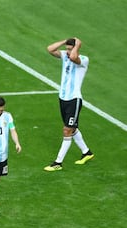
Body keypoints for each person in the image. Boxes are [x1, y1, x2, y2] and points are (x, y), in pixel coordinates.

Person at [44, 37, 94, 172]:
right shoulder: (65, 56)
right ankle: (87, 152)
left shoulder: (83, 60)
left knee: (67, 130)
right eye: (66, 49)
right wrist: (64, 41)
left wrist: (77, 45)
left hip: (74, 99)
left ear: (76, 48)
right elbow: (50, 49)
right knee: (72, 128)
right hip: (63, 98)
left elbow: (73, 58)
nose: (67, 52)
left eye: (69, 49)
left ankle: (58, 162)